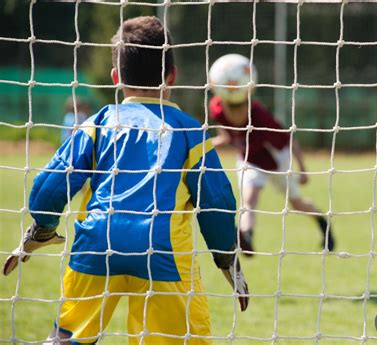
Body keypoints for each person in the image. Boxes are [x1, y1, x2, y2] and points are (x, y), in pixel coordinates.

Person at [3, 17, 248, 345]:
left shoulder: (98, 123)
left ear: (116, 77)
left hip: (96, 245)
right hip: (162, 255)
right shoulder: (189, 132)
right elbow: (217, 201)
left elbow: (52, 182)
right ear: (172, 76)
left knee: (68, 338)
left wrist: (42, 229)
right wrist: (227, 260)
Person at [209, 54, 336, 256]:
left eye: (240, 110)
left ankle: (323, 223)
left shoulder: (261, 118)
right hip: (249, 159)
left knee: (296, 203)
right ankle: (245, 236)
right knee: (249, 199)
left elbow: (290, 140)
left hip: (276, 160)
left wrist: (302, 168)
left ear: (247, 100)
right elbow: (225, 136)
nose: (235, 116)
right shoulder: (217, 109)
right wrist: (202, 144)